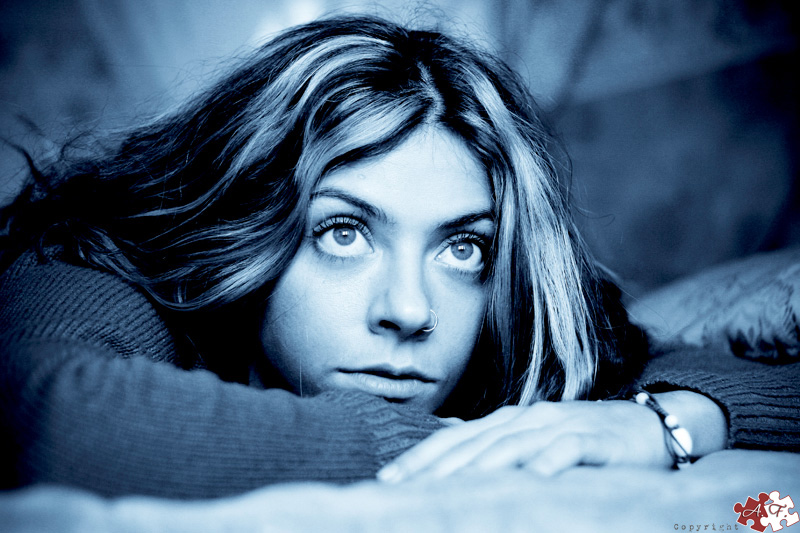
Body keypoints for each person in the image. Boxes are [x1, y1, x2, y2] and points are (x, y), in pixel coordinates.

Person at [0, 15, 795, 499]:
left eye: (462, 248)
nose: (409, 311)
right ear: (242, 219)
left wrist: (665, 424)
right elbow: (57, 420)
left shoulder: (515, 325)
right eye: (344, 233)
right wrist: (474, 449)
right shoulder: (101, 261)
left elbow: (770, 433)